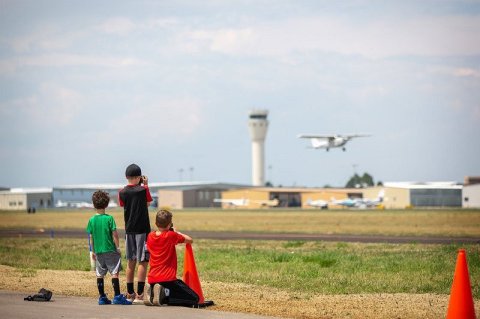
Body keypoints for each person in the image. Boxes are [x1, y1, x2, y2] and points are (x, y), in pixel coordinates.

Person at [145, 209, 199, 307]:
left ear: (156, 223)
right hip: (168, 279)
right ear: (169, 224)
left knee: (172, 291)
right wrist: (176, 232)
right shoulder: (170, 235)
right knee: (194, 298)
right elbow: (190, 240)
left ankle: (153, 292)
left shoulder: (150, 236)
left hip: (152, 278)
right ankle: (163, 296)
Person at [86, 190, 131, 305]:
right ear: (106, 204)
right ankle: (117, 296)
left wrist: (93, 250)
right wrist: (118, 247)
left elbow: (91, 237)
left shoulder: (91, 220)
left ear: (93, 204)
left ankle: (102, 297)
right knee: (114, 272)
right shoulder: (109, 218)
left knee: (100, 274)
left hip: (99, 251)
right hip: (110, 249)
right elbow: (114, 234)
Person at [118, 163, 153, 304]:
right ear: (139, 177)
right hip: (142, 230)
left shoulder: (122, 192)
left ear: (126, 177)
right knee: (143, 262)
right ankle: (139, 294)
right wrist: (146, 185)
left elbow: (123, 205)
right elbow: (148, 203)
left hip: (129, 231)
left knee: (130, 262)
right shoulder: (143, 190)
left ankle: (129, 293)